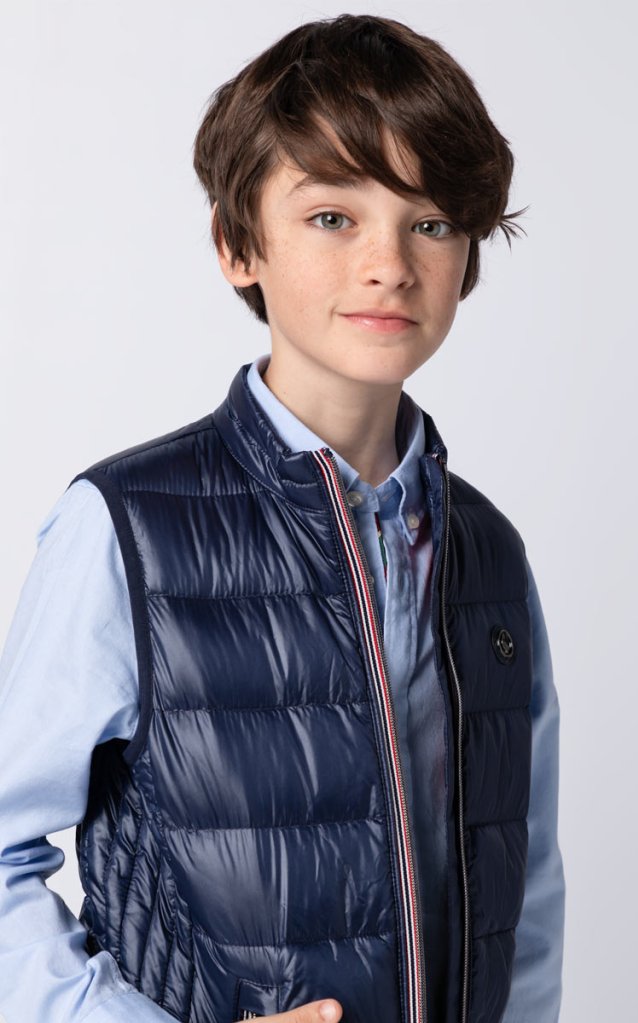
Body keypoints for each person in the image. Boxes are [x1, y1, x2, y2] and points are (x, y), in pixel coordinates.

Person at [0, 13, 564, 1023]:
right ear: (237, 245)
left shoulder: (486, 552)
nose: (388, 263)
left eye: (431, 222)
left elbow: (524, 894)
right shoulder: (124, 529)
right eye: (333, 217)